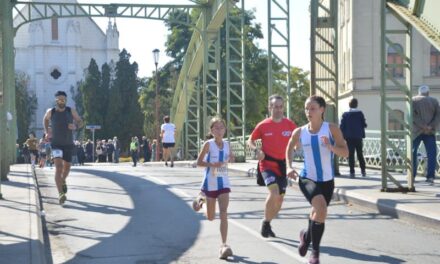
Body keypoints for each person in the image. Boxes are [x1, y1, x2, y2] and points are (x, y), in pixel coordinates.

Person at [286, 95, 348, 264]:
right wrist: (289, 167)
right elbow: (289, 147)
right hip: (307, 178)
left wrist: (331, 147)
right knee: (320, 207)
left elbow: (346, 152)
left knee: (318, 213)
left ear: (322, 110)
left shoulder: (332, 129)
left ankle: (305, 236)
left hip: (327, 181)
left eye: (312, 108)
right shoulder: (300, 131)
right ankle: (315, 253)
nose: (308, 112)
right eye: (306, 108)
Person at [247, 94, 297, 238]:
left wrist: (297, 146)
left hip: (282, 166)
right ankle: (266, 223)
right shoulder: (263, 125)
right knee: (273, 193)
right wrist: (257, 150)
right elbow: (250, 140)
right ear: (270, 108)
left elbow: (298, 138)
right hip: (267, 165)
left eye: (281, 107)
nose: (278, 110)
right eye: (275, 107)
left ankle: (266, 222)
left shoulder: (289, 124)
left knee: (279, 201)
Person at [193, 117, 234, 260]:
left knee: (223, 212)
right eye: (216, 128)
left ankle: (224, 245)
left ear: (225, 129)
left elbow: (232, 157)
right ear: (211, 130)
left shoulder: (228, 144)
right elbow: (198, 162)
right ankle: (201, 201)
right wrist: (212, 165)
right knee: (211, 217)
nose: (219, 130)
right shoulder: (208, 144)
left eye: (222, 127)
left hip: (224, 183)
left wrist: (230, 159)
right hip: (210, 183)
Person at [43, 90, 83, 205]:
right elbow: (45, 119)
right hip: (56, 144)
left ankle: (63, 180)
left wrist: (75, 126)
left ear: (66, 100)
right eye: (60, 99)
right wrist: (46, 132)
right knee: (59, 167)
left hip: (68, 144)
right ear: (56, 100)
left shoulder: (71, 111)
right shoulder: (51, 112)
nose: (62, 101)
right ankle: (61, 194)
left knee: (67, 168)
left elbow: (80, 122)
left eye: (64, 99)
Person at [412, 85, 440, 184]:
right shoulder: (434, 101)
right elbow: (438, 116)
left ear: (419, 92)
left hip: (416, 131)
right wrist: (430, 126)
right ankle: (430, 177)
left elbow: (412, 116)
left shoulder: (413, 100)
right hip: (430, 132)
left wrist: (422, 126)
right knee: (432, 154)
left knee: (413, 153)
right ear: (428, 92)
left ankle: (412, 176)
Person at [340, 98, 367, 178]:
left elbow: (342, 126)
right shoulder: (360, 114)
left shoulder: (345, 114)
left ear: (349, 105)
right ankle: (363, 171)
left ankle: (352, 172)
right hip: (358, 137)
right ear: (356, 105)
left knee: (350, 154)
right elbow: (364, 124)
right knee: (360, 154)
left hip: (349, 137)